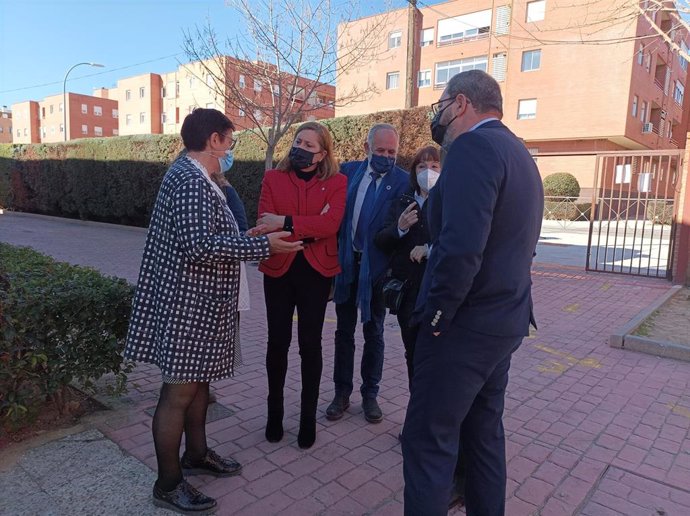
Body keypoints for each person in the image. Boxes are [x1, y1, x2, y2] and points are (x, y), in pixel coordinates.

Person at [124, 108, 302, 514]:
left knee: (200, 385)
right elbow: (198, 246)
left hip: (201, 306)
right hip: (187, 307)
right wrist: (261, 247)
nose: (232, 146)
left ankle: (197, 454)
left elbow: (211, 237)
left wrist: (248, 235)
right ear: (215, 139)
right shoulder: (189, 179)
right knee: (177, 393)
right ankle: (168, 484)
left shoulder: (199, 179)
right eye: (230, 138)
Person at [401, 70, 544, 516]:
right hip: (504, 322)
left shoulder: (473, 148)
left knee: (428, 442)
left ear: (460, 104)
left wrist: (438, 316)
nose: (438, 116)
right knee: (484, 436)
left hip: (463, 328)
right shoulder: (519, 152)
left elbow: (461, 248)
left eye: (442, 104)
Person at [255, 121, 347, 449]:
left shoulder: (337, 182)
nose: (301, 148)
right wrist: (309, 225)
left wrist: (288, 221)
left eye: (310, 145)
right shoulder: (272, 178)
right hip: (278, 268)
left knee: (311, 346)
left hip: (315, 272)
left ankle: (307, 418)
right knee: (277, 343)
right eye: (298, 141)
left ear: (322, 154)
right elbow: (266, 224)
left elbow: (331, 224)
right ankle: (274, 413)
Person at [328, 123, 409, 424]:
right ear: (367, 148)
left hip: (378, 270)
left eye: (392, 152)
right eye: (380, 150)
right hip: (347, 265)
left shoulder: (402, 180)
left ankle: (370, 395)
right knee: (343, 332)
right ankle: (341, 393)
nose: (386, 156)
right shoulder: (348, 172)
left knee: (374, 332)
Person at [374, 145, 440, 387]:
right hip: (408, 294)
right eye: (422, 166)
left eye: (434, 166)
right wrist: (399, 228)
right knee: (411, 354)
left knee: (436, 358)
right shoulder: (402, 202)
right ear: (414, 171)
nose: (428, 171)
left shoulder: (451, 202)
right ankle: (415, 417)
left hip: (438, 292)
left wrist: (430, 250)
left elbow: (461, 241)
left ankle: (431, 417)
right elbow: (380, 240)